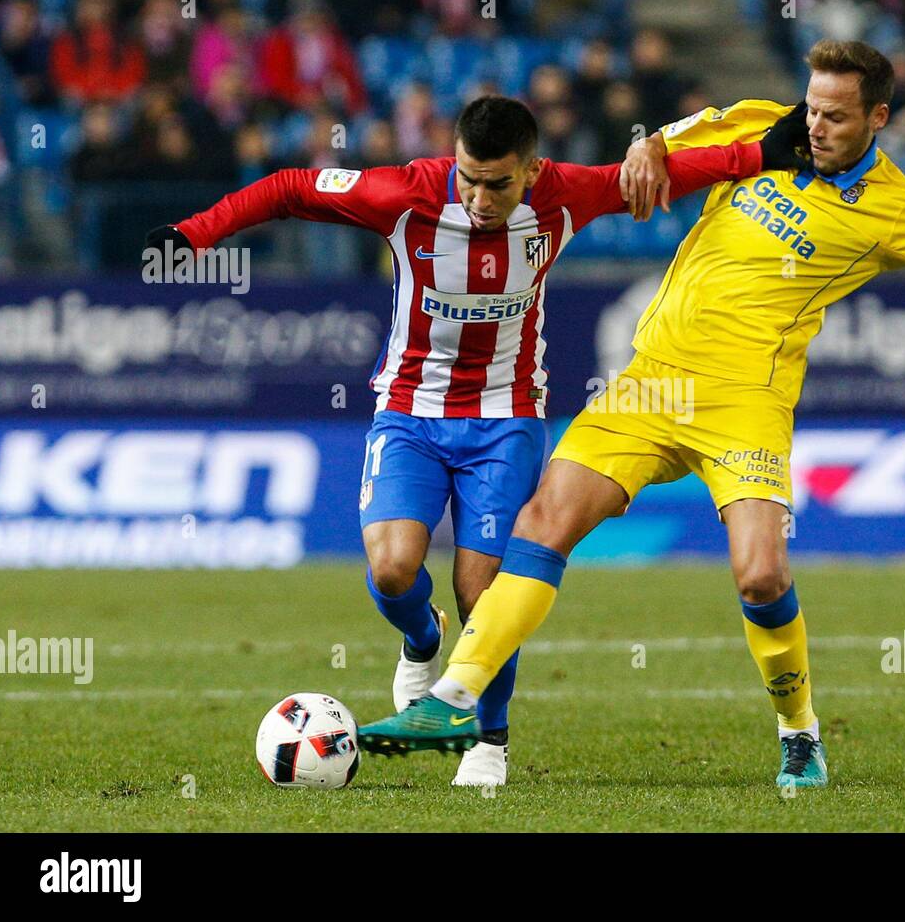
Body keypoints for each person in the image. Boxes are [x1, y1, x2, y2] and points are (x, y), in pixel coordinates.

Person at [356, 41, 905, 789]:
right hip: (650, 383)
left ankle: (798, 732)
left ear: (879, 119)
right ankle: (457, 699)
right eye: (812, 107)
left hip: (746, 404)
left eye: (834, 115)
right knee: (544, 521)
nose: (814, 125)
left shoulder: (895, 207)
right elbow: (656, 145)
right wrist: (646, 148)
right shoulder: (757, 126)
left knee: (760, 575)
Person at [146, 95, 807, 786]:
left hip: (507, 418)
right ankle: (420, 640)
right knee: (394, 570)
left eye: (498, 183)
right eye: (469, 178)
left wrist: (761, 154)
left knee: (484, 586)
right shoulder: (404, 193)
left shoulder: (563, 197)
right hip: (409, 412)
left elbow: (656, 177)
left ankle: (489, 741)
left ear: (532, 170)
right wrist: (195, 234)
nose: (481, 198)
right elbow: (288, 189)